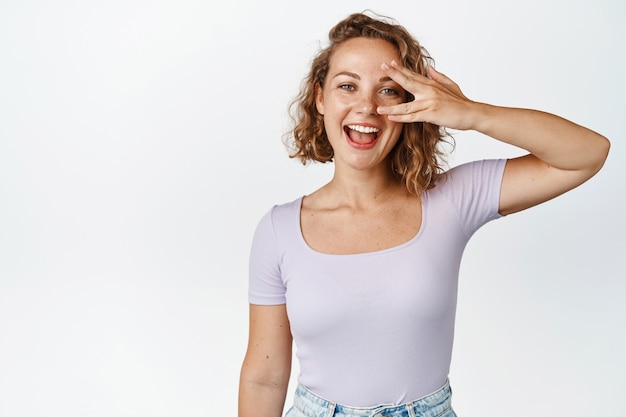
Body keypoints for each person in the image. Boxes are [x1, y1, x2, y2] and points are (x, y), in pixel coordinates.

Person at [238, 11, 610, 417]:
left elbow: (586, 154)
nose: (366, 107)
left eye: (388, 91)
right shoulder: (279, 230)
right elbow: (264, 377)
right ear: (320, 97)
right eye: (347, 86)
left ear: (411, 105)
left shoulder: (452, 200)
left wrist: (470, 113)